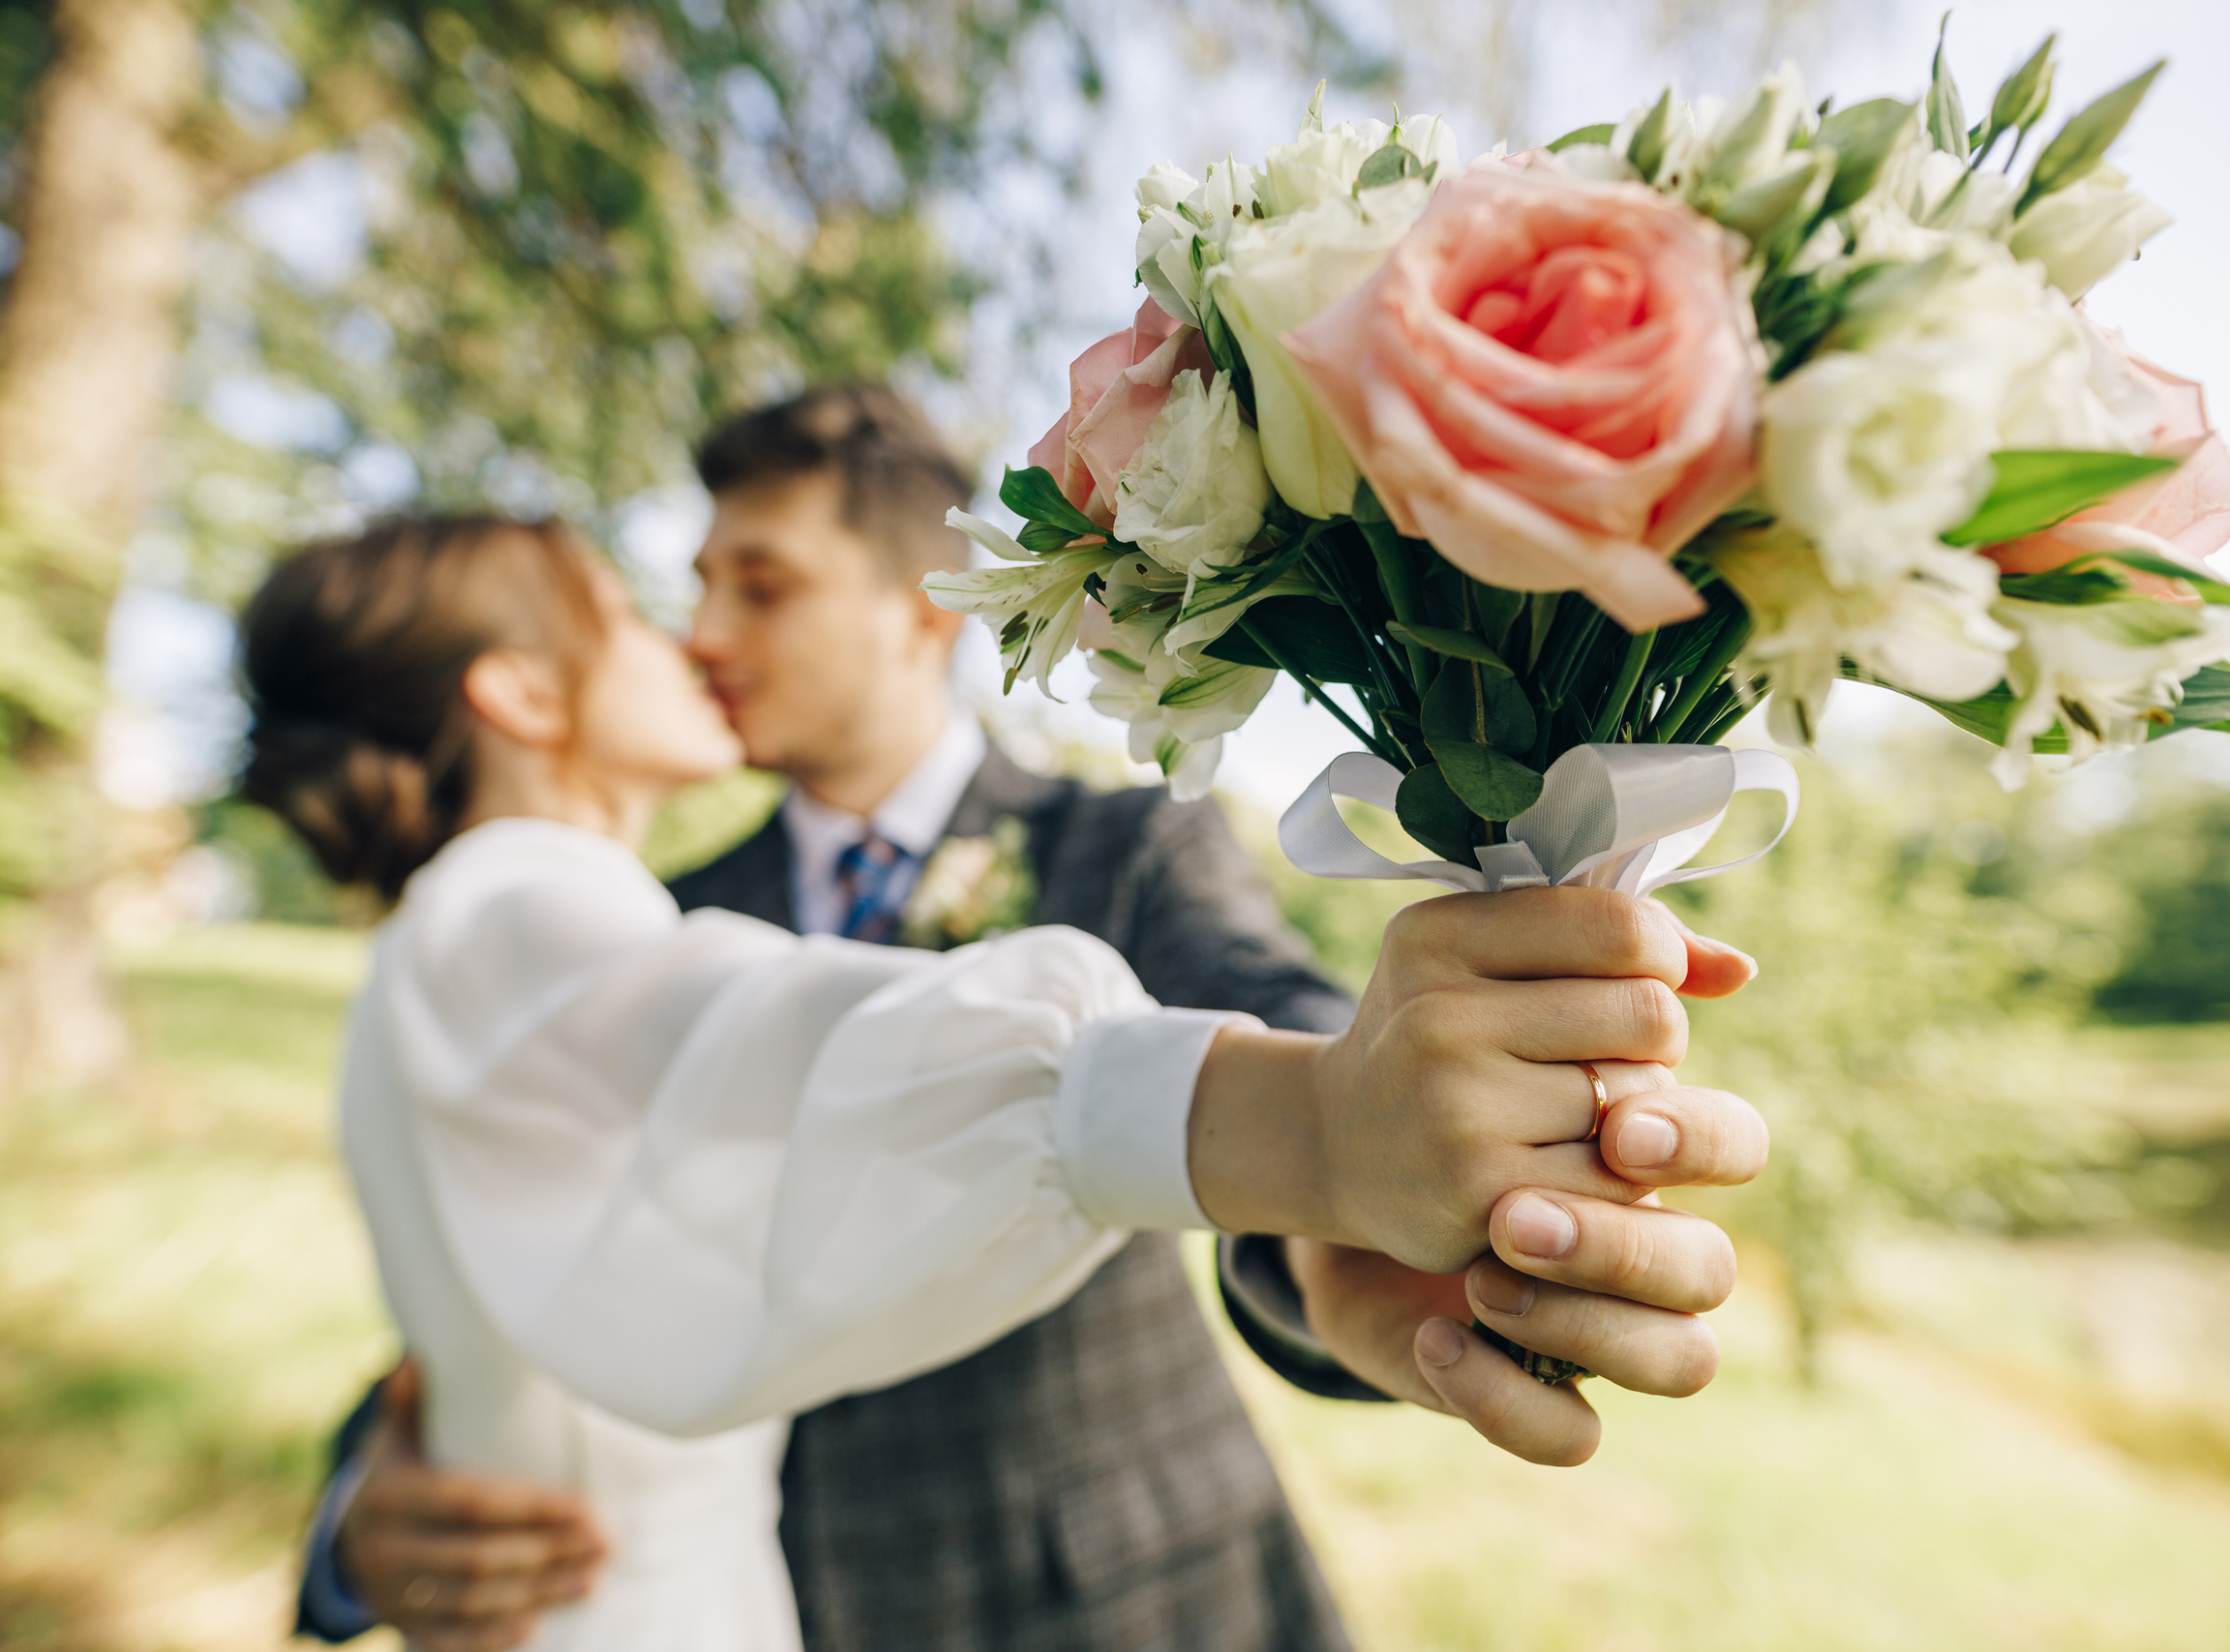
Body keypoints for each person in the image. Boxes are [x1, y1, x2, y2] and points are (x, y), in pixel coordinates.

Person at [294, 388, 1765, 1652]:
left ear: (912, 610)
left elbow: (1295, 1029)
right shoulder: (649, 914)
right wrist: (364, 1508)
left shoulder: (1120, 842)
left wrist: (1376, 1194)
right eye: (688, 588)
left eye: (763, 585)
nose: (703, 636)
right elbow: (546, 1232)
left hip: (1121, 1603)